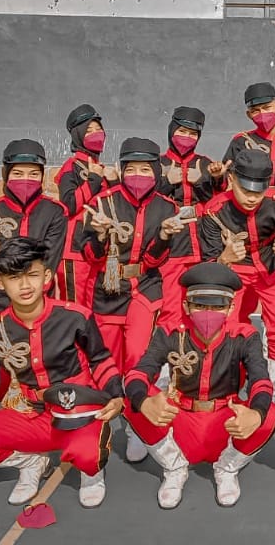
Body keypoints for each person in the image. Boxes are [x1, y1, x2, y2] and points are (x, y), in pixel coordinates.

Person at [0, 238, 125, 508]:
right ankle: (30, 461)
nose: (25, 285)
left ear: (47, 277)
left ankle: (91, 472)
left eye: (32, 275)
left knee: (88, 456)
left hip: (76, 412)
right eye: (14, 278)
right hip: (29, 412)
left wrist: (116, 395)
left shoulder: (75, 317)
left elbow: (100, 360)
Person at [124, 262, 275, 508]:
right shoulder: (170, 332)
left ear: (230, 308)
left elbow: (261, 380)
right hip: (180, 420)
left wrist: (256, 413)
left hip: (225, 423)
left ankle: (227, 468)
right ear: (186, 306)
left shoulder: (244, 336)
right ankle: (174, 467)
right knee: (132, 400)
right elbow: (139, 372)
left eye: (217, 306)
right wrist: (143, 402)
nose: (208, 313)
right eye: (199, 305)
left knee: (269, 412)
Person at [79, 137, 184, 463]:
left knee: (139, 359)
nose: (138, 176)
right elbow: (89, 255)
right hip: (107, 291)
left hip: (145, 290)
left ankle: (137, 426)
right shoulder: (102, 203)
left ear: (156, 171)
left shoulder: (167, 208)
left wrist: (163, 236)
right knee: (107, 362)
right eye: (131, 169)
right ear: (121, 170)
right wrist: (99, 235)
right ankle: (101, 422)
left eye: (145, 169)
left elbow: (154, 261)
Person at [198, 150, 275, 430]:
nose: (253, 197)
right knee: (228, 332)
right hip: (234, 270)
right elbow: (207, 262)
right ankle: (229, 398)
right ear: (231, 180)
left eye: (259, 190)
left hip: (273, 268)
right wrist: (224, 259)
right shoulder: (214, 211)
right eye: (246, 190)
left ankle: (272, 402)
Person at [0, 139, 68, 325]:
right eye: (18, 173)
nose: (26, 179)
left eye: (34, 174)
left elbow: (50, 258)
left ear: (42, 176)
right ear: (6, 175)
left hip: (39, 299)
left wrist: (4, 259)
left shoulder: (56, 212)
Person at [155, 106, 225, 330]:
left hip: (203, 245)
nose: (186, 138)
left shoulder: (206, 164)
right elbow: (147, 203)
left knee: (201, 305)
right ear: (171, 130)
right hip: (172, 247)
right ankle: (168, 347)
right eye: (182, 132)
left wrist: (205, 181)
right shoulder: (157, 164)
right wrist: (167, 182)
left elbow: (220, 203)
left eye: (192, 134)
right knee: (170, 305)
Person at [53, 104, 117, 305]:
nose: (96, 134)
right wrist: (94, 180)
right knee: (74, 306)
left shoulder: (102, 168)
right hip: (75, 250)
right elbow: (69, 205)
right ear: (78, 135)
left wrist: (115, 182)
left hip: (98, 247)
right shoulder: (71, 166)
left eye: (99, 129)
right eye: (89, 130)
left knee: (91, 306)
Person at [222, 82, 275, 186]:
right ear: (249, 115)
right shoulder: (241, 142)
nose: (262, 113)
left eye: (267, 108)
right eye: (255, 111)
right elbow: (228, 179)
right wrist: (218, 177)